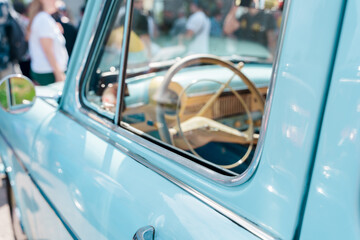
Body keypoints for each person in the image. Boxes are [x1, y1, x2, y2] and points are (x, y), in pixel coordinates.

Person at [27, 0, 68, 85]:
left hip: (48, 72)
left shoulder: (43, 18)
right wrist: (59, 75)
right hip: (49, 73)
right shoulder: (43, 19)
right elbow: (48, 51)